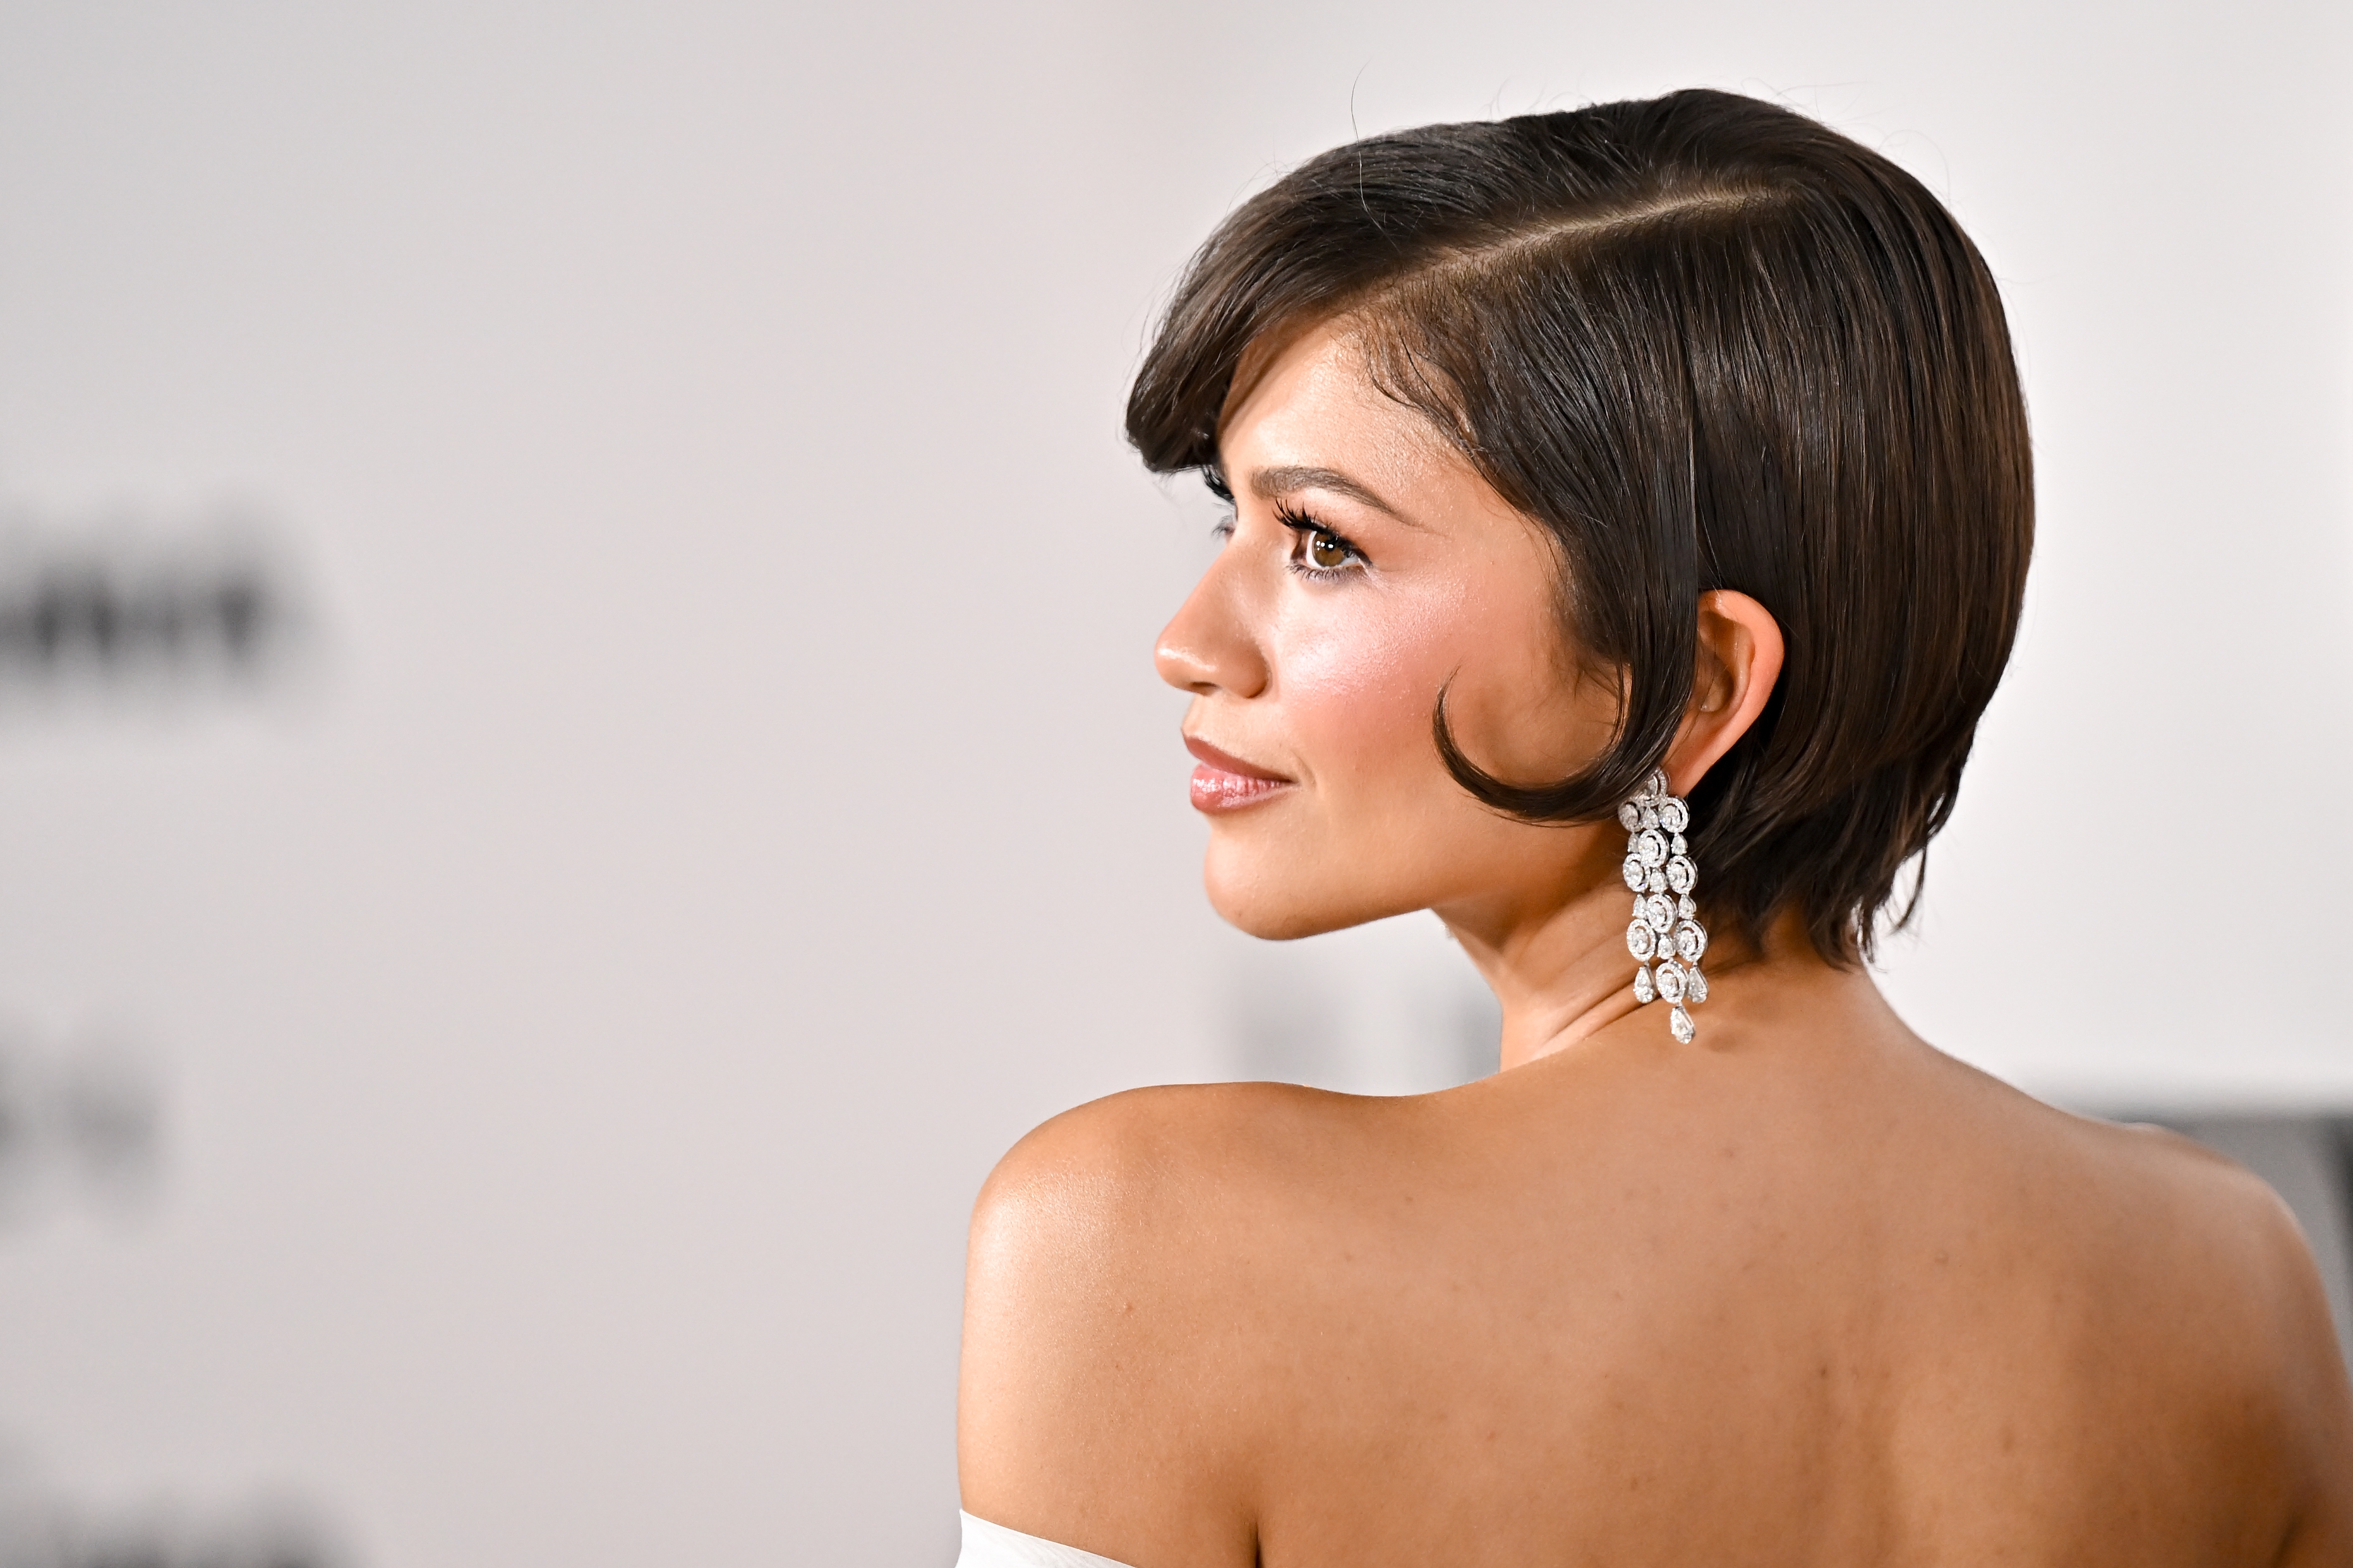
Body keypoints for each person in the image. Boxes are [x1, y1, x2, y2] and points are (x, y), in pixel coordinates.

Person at [953, 88, 2353, 1566]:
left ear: (1691, 685)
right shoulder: (2235, 1280)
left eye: (1324, 543)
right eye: (1224, 516)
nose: (1188, 642)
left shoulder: (1139, 1246)